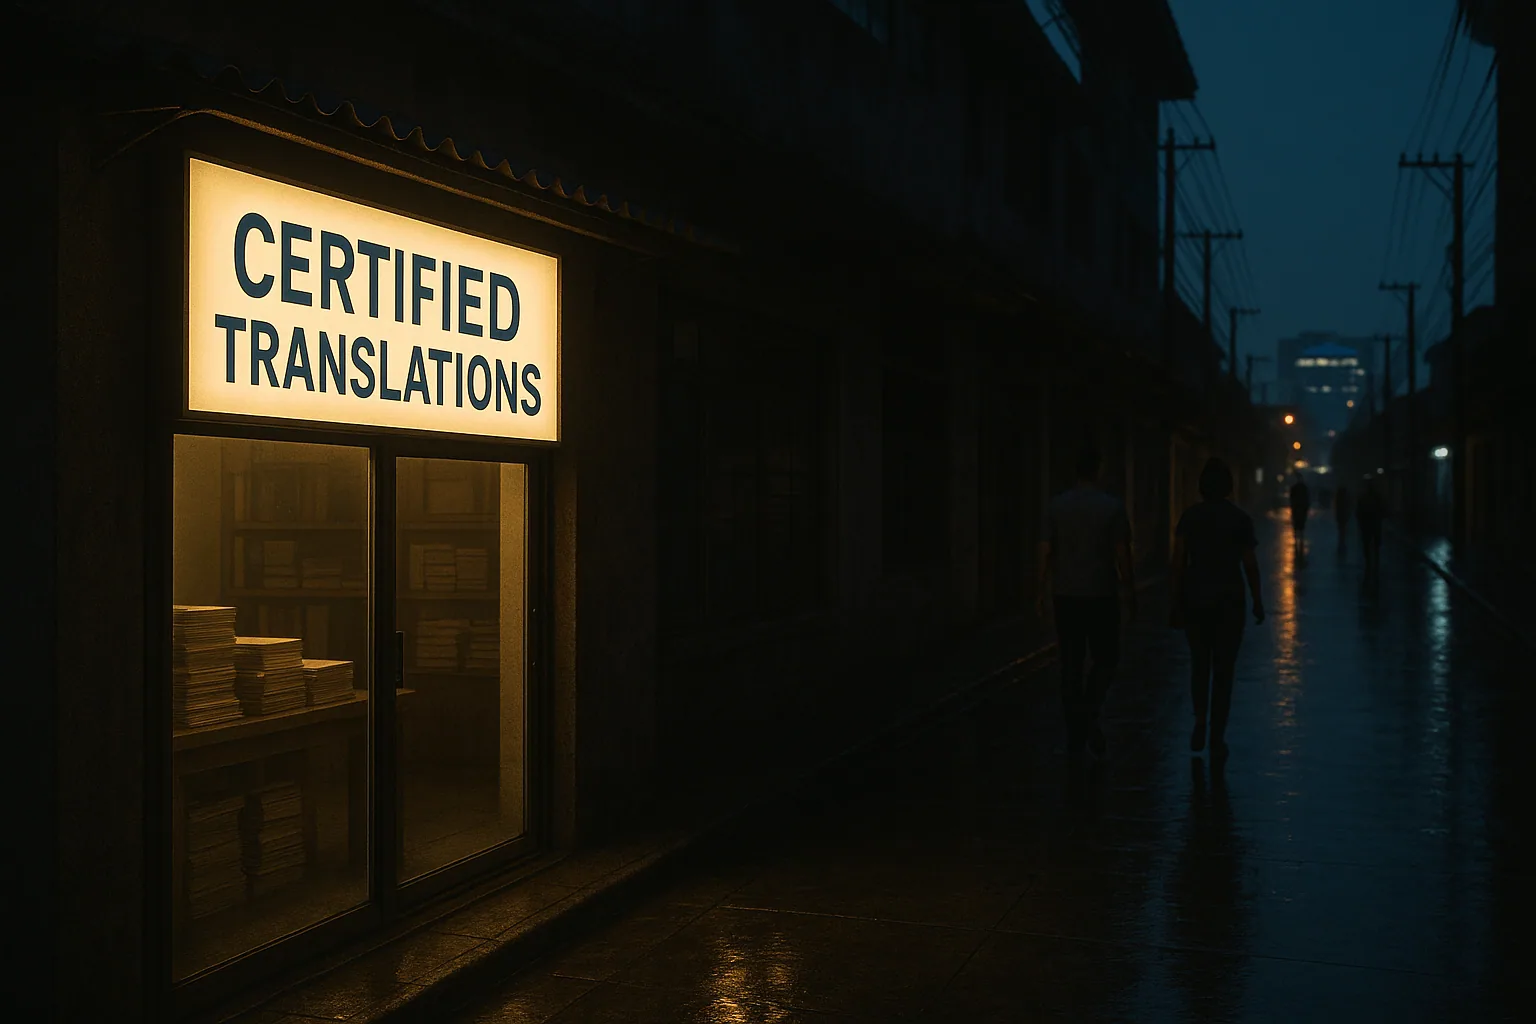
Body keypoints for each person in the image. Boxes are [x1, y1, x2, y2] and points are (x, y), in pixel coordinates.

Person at [1037, 442, 1136, 763]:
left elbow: (1046, 552)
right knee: (1106, 659)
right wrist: (1129, 591)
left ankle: (1075, 733)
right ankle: (1089, 713)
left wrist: (1040, 591)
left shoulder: (1056, 506)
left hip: (1065, 594)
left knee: (1070, 664)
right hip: (1101, 594)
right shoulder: (1112, 507)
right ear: (1098, 469)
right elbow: (1122, 555)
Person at [1170, 457, 1265, 762]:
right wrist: (1257, 600)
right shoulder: (1240, 520)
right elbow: (1250, 564)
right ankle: (1217, 735)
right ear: (1228, 486)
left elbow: (1178, 562)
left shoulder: (1190, 517)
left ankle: (1200, 719)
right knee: (1224, 670)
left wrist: (1175, 601)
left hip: (1196, 597)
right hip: (1229, 601)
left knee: (1199, 663)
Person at [1357, 477, 1386, 575]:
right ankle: (1374, 563)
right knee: (1375, 545)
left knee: (1367, 544)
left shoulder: (1363, 498)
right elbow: (1383, 509)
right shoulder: (1377, 497)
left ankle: (1369, 563)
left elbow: (1359, 512)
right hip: (1374, 524)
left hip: (1367, 524)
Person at [1288, 474, 1311, 552]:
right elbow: (1306, 498)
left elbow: (1292, 498)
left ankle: (1297, 540)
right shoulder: (1303, 488)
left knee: (1297, 525)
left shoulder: (1295, 488)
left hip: (1297, 508)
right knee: (1300, 525)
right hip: (1300, 509)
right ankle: (1300, 540)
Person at [1334, 484, 1353, 552]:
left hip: (1340, 516)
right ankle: (1342, 544)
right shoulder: (1346, 499)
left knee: (1341, 531)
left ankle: (1341, 544)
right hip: (1344, 516)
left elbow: (1337, 508)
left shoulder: (1338, 498)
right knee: (1343, 531)